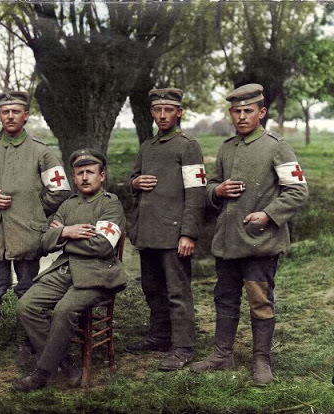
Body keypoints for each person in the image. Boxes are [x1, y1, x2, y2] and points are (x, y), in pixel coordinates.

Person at [190, 84, 309, 385]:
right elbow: (209, 187)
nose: (241, 117)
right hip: (227, 242)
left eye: (248, 111)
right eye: (236, 111)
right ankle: (221, 354)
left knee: (259, 300)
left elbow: (297, 191)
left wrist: (268, 214)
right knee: (225, 299)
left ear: (261, 113)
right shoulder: (227, 147)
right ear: (230, 113)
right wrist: (216, 190)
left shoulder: (276, 146)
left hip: (260, 243)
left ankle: (261, 361)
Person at [0, 91, 71, 377]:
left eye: (16, 111)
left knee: (27, 291)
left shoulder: (41, 150)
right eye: (5, 112)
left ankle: (25, 347)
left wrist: (34, 212)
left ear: (25, 115)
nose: (10, 116)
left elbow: (61, 189)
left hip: (29, 236)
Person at [12, 148, 126, 392]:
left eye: (90, 172)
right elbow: (44, 241)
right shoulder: (68, 204)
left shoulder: (110, 205)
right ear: (73, 178)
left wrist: (63, 237)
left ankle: (42, 373)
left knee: (63, 310)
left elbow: (103, 245)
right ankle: (65, 363)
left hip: (98, 274)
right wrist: (66, 231)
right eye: (79, 173)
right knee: (27, 305)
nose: (85, 177)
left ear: (102, 176)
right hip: (65, 271)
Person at [125, 88, 206, 371]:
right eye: (157, 110)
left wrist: (188, 233)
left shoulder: (187, 146)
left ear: (179, 113)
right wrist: (134, 184)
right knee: (152, 288)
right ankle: (159, 337)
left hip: (174, 235)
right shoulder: (147, 146)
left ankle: (183, 347)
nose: (162, 116)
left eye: (168, 110)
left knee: (177, 292)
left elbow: (196, 193)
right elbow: (133, 178)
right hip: (148, 233)